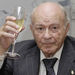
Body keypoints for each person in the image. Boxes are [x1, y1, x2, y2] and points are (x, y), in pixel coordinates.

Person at [0, 2, 75, 75]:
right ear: (32, 29)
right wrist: (1, 50)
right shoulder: (18, 52)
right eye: (40, 28)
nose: (47, 36)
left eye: (54, 28)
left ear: (66, 28)